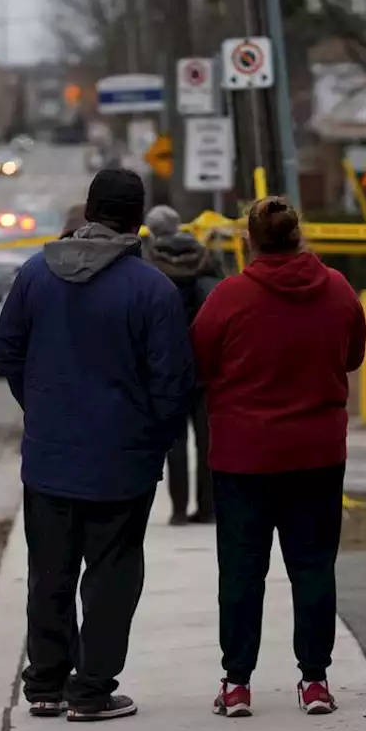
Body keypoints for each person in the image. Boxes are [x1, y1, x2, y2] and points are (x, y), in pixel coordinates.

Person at [0, 168, 195, 723]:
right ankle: (92, 690)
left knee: (49, 571)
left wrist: (39, 402)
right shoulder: (153, 289)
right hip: (122, 460)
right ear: (137, 220)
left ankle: (46, 684)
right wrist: (158, 437)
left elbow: (6, 346)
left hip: (51, 454)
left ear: (88, 209)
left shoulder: (36, 274)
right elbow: (171, 381)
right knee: (112, 574)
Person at [191, 196, 366, 718]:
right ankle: (315, 680)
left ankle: (237, 683)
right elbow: (353, 355)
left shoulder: (229, 296)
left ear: (250, 239)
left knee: (242, 570)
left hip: (243, 454)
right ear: (299, 235)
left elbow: (200, 358)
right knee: (313, 566)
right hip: (316, 450)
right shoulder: (337, 290)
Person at [143, 204, 224, 525]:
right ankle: (208, 508)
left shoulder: (148, 263)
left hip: (167, 367)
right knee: (208, 441)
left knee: (175, 443)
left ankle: (178, 510)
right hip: (206, 364)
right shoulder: (207, 259)